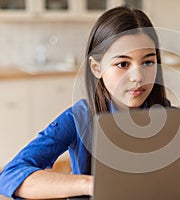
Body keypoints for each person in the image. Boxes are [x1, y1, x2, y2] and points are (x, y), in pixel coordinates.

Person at [0, 6, 169, 199]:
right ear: (96, 68)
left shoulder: (170, 117)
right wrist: (90, 184)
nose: (138, 77)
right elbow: (10, 176)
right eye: (122, 64)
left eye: (148, 62)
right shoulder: (79, 118)